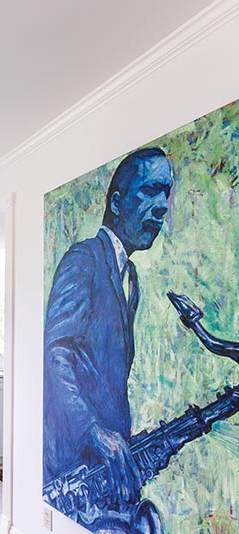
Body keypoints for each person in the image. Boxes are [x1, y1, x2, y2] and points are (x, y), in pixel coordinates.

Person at [43, 147, 173, 508]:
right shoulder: (84, 259)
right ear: (117, 203)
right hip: (73, 466)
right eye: (150, 190)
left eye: (166, 193)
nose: (161, 207)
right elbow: (56, 355)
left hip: (108, 464)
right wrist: (93, 431)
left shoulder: (129, 276)